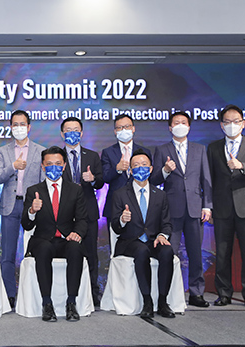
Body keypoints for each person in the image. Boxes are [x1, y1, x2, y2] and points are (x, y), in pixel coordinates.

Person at [149, 111, 213, 308]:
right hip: (171, 209)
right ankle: (169, 294)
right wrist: (165, 170)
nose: (180, 125)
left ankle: (196, 293)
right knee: (169, 253)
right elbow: (154, 181)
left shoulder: (199, 149)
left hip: (195, 209)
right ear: (169, 127)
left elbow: (206, 180)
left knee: (196, 254)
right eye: (176, 123)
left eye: (183, 122)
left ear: (189, 127)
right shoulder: (161, 150)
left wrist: (207, 206)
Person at [207, 105, 245, 308]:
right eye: (227, 122)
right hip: (222, 207)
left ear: (243, 123)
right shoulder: (214, 148)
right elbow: (210, 179)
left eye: (236, 121)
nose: (231, 125)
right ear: (221, 125)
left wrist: (243, 166)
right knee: (223, 254)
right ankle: (224, 293)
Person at [21, 146, 87, 322]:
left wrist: (77, 233)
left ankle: (71, 303)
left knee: (76, 250)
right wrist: (32, 211)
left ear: (64, 165)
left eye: (58, 163)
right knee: (43, 249)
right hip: (42, 239)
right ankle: (46, 303)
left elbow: (82, 219)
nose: (54, 167)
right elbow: (26, 225)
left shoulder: (75, 190)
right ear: (43, 166)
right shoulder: (33, 190)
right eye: (49, 164)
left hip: (66, 239)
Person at [110, 149, 176, 318]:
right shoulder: (120, 194)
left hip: (153, 240)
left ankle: (162, 301)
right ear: (130, 171)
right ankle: (147, 301)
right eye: (136, 166)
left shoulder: (160, 195)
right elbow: (116, 227)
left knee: (167, 251)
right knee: (141, 251)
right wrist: (123, 220)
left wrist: (163, 235)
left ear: (151, 168)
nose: (140, 169)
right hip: (129, 242)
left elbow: (167, 223)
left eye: (144, 165)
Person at [0, 110, 46, 309]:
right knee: (7, 254)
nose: (18, 128)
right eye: (15, 124)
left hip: (32, 206)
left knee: (32, 252)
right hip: (9, 205)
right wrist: (13, 167)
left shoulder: (40, 150)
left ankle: (31, 294)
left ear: (29, 126)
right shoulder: (3, 151)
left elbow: (43, 181)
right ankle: (10, 295)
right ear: (10, 127)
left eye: (22, 124)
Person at [60, 116, 105, 305]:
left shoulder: (92, 156)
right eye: (68, 130)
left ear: (81, 132)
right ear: (62, 134)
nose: (72, 133)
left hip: (88, 213)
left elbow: (101, 181)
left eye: (75, 129)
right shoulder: (56, 157)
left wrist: (93, 178)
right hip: (65, 214)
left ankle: (94, 294)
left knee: (91, 255)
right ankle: (70, 294)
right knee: (69, 254)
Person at [101, 115, 151, 251]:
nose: (124, 130)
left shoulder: (144, 152)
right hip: (115, 206)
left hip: (140, 205)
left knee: (141, 247)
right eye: (120, 128)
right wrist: (117, 169)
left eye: (127, 126)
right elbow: (104, 177)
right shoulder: (108, 152)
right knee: (116, 248)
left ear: (133, 128)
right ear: (115, 131)